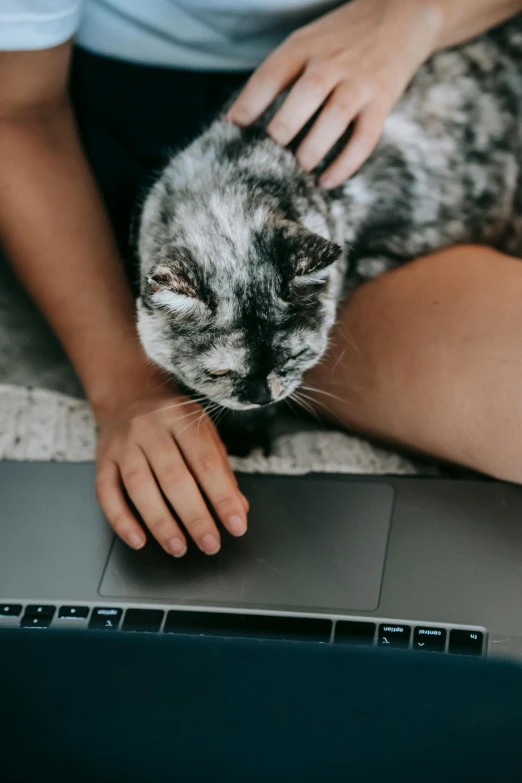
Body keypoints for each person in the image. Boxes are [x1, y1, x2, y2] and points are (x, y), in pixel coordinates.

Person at [1, 0, 521, 560]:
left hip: (425, 58)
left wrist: (418, 19)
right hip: (153, 126)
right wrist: (127, 386)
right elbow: (16, 111)